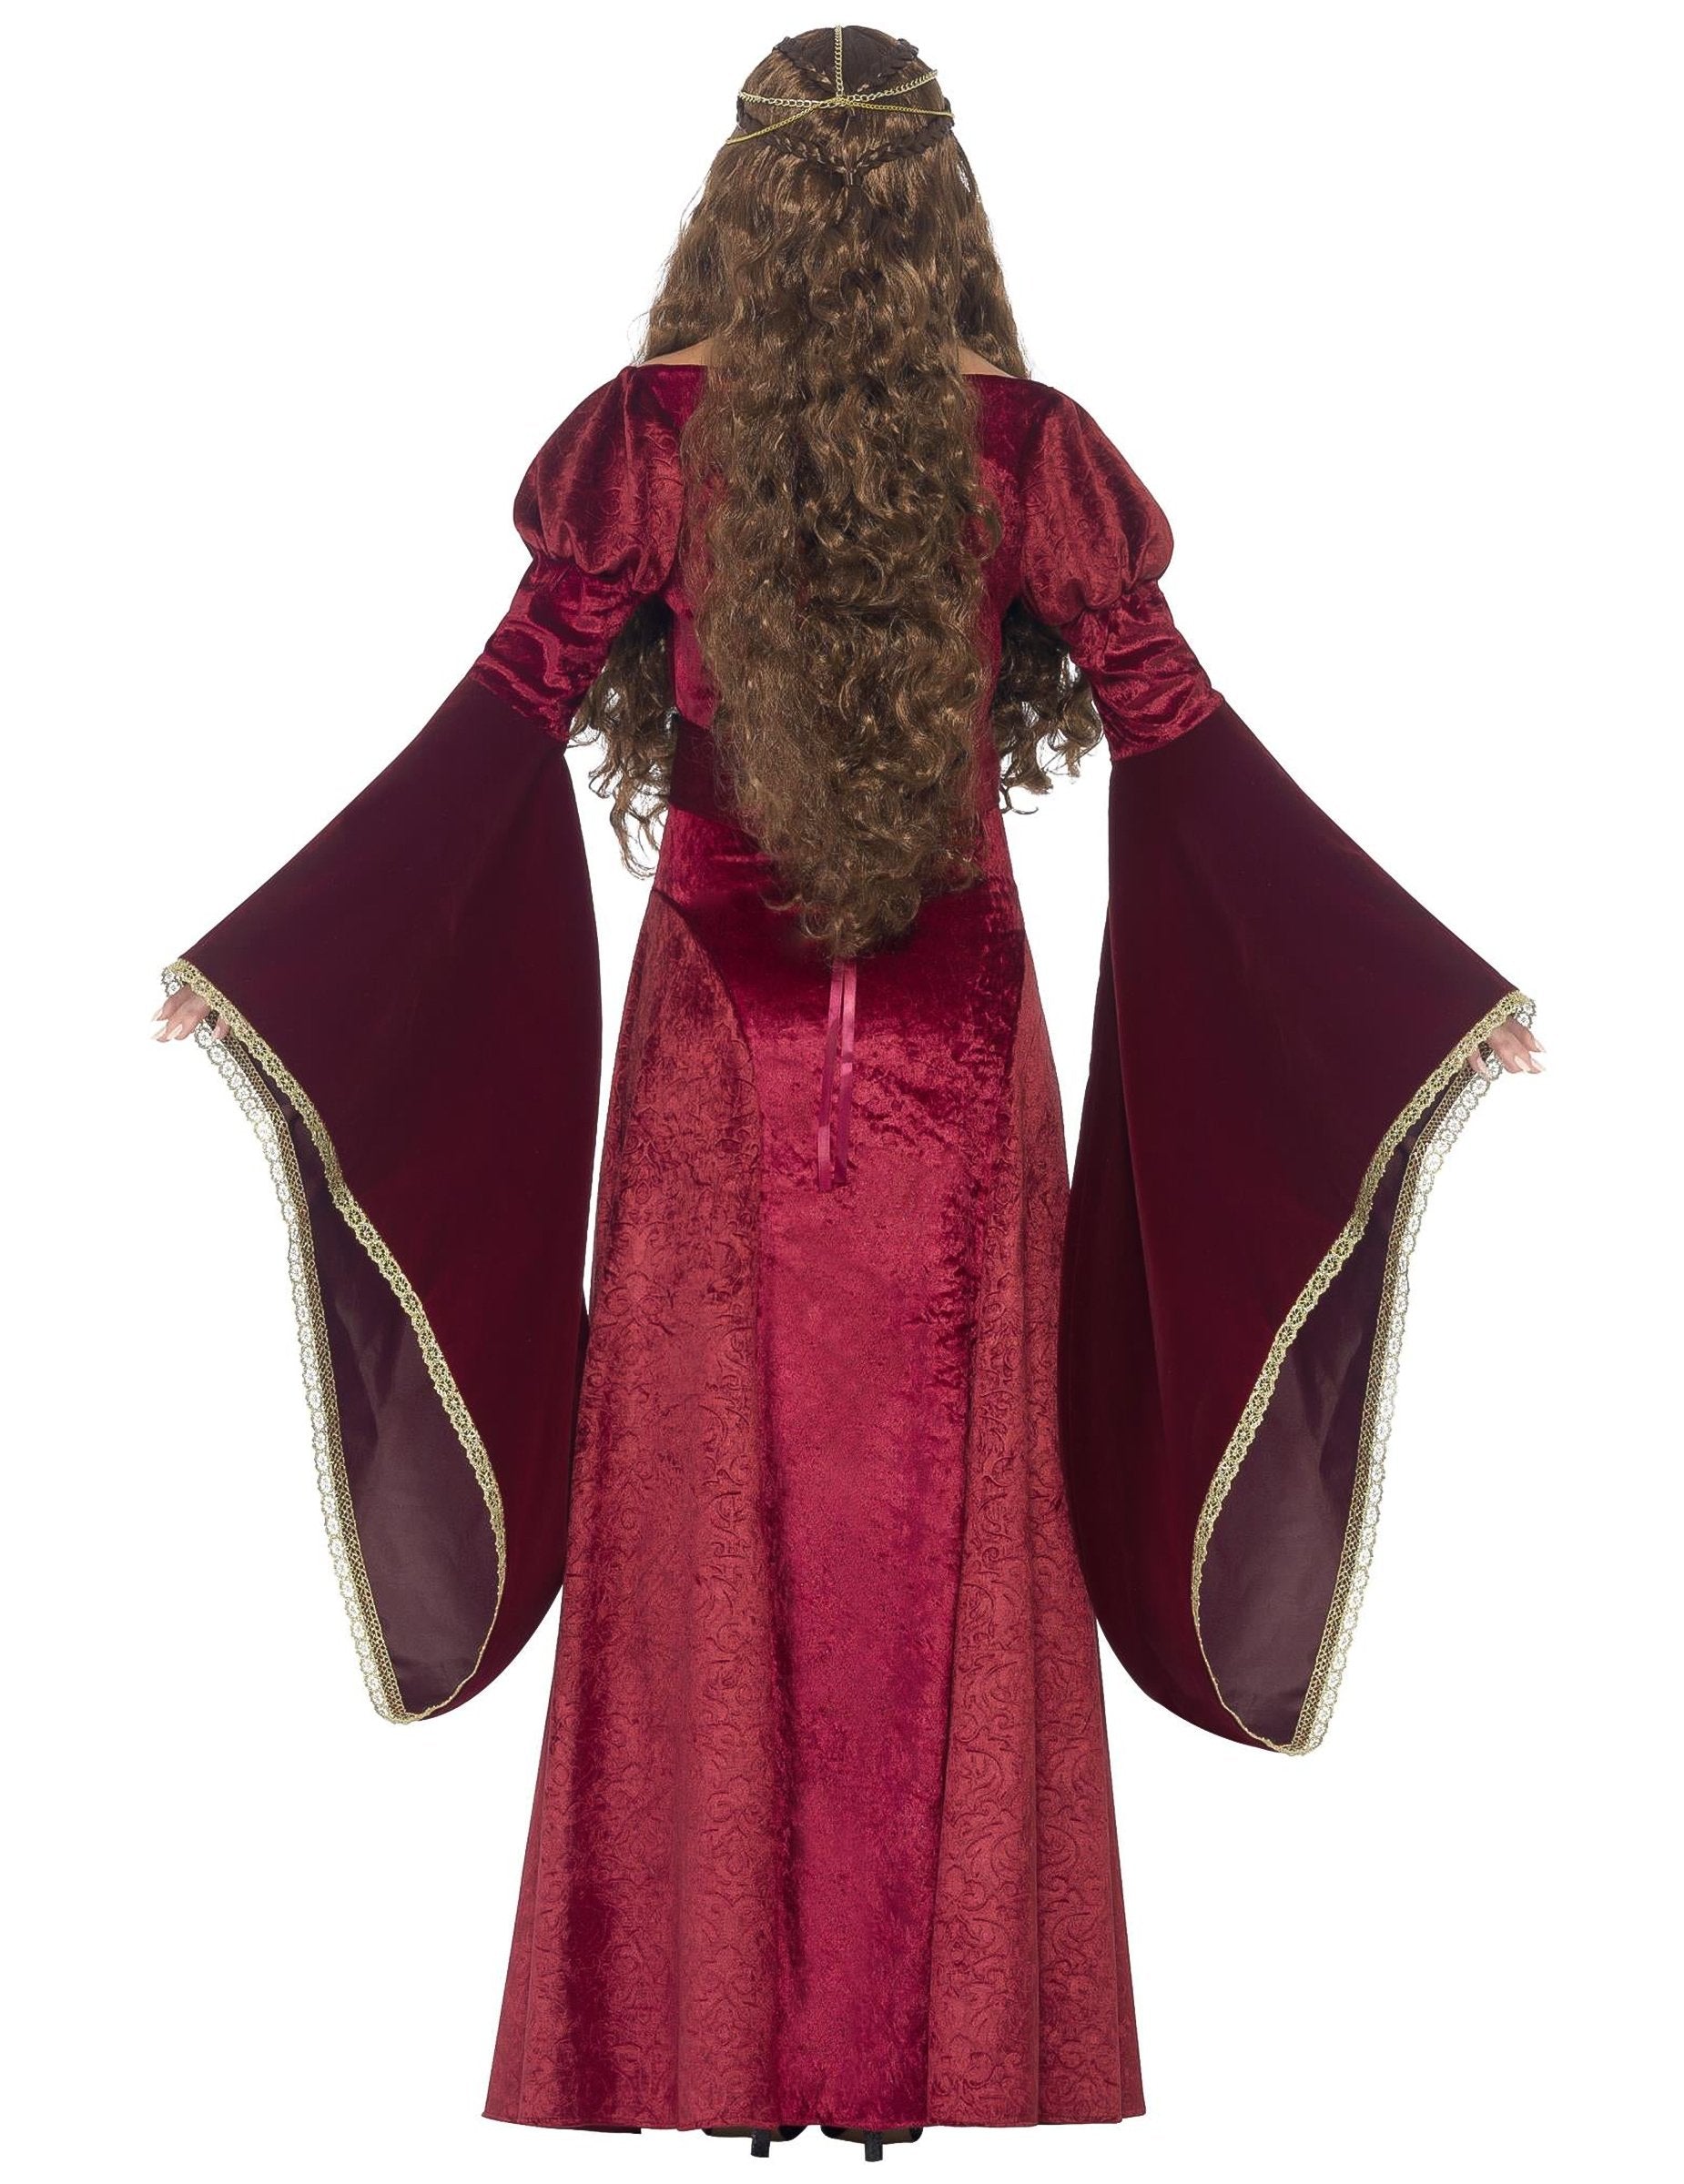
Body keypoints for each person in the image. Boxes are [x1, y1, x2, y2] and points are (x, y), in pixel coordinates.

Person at [150, 22, 1540, 2158]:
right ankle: (904, 2071)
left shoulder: (657, 438)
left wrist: (269, 959)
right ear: (941, 203)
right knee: (928, 1522)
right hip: (956, 1067)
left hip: (714, 1064)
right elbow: (1180, 732)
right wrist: (1430, 992)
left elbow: (506, 706)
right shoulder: (1024, 450)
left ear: (741, 197)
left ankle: (727, 2063)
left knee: (717, 1518)